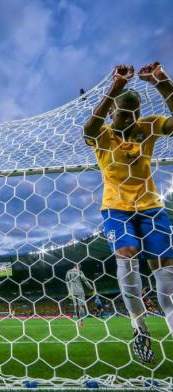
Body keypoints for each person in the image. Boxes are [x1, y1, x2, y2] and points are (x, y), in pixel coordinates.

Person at [83, 62, 173, 363]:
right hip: (115, 209)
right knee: (128, 251)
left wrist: (162, 83)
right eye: (123, 113)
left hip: (151, 208)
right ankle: (139, 325)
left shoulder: (148, 127)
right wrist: (116, 87)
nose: (129, 119)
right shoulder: (103, 135)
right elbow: (89, 126)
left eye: (134, 114)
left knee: (165, 268)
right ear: (112, 113)